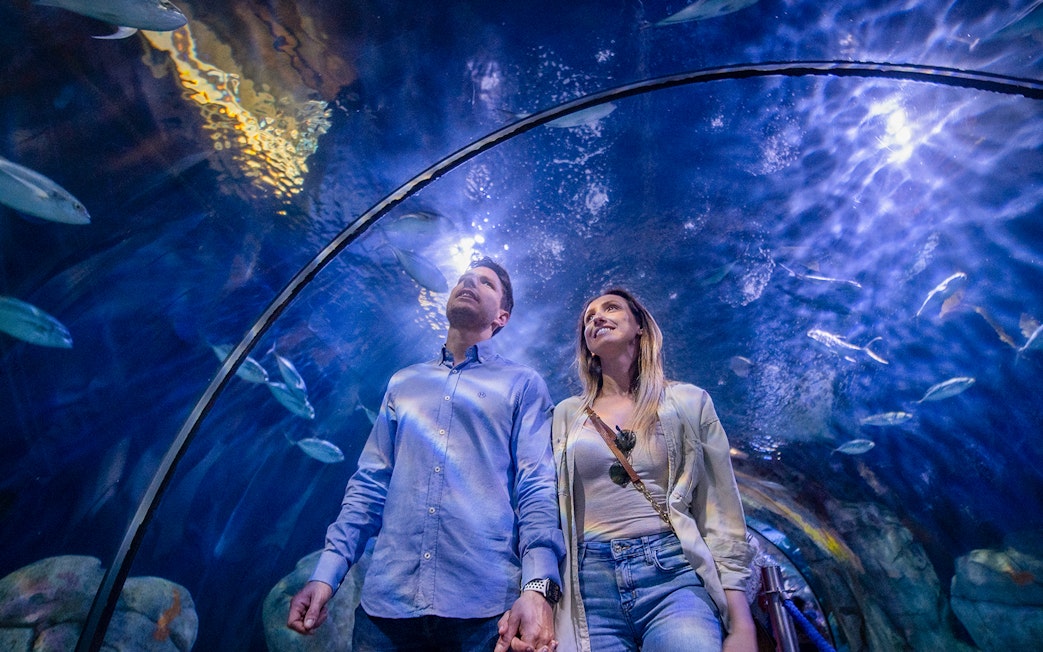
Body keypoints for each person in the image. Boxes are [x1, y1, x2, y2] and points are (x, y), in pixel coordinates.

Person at [288, 258, 566, 652]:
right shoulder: (403, 383)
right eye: (465, 277)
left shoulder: (523, 384)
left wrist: (538, 588)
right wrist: (326, 575)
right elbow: (369, 486)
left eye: (485, 282)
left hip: (484, 613)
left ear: (502, 316)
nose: (470, 281)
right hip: (384, 613)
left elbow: (537, 488)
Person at [545, 288, 756, 652]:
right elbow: (546, 505)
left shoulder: (689, 402)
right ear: (587, 346)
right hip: (589, 583)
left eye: (610, 308)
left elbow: (719, 511)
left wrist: (741, 624)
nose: (596, 317)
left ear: (640, 325)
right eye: (588, 318)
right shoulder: (566, 414)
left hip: (670, 572)